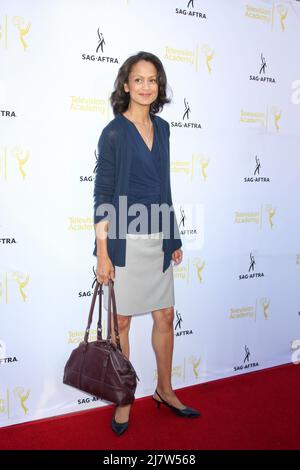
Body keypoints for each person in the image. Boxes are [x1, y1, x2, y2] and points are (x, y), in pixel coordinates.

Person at [93, 51, 200, 436]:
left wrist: (172, 234)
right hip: (124, 239)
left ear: (159, 86)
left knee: (165, 316)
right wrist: (103, 253)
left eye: (152, 80)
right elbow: (103, 194)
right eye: (138, 79)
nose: (145, 86)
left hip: (157, 235)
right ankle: (124, 400)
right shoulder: (114, 132)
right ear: (126, 85)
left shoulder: (165, 128)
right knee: (122, 321)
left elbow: (164, 187)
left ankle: (165, 390)